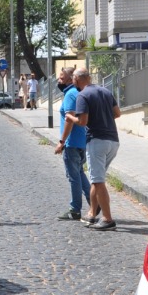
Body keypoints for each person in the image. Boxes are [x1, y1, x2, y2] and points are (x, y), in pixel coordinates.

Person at [69, 67, 121, 230]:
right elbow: (117, 113)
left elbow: (82, 121)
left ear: (77, 79)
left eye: (73, 79)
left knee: (98, 181)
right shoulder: (105, 91)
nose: (72, 81)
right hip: (113, 140)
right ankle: (92, 214)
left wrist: (70, 117)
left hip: (97, 141)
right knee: (96, 178)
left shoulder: (82, 95)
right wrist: (102, 118)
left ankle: (107, 219)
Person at [51, 67, 88, 221]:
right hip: (81, 141)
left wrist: (61, 142)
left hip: (72, 142)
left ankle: (75, 210)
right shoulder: (77, 93)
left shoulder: (70, 94)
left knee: (74, 177)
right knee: (79, 173)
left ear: (69, 79)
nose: (58, 81)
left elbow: (69, 119)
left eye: (61, 78)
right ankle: (95, 202)